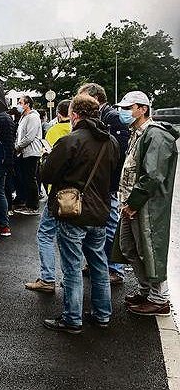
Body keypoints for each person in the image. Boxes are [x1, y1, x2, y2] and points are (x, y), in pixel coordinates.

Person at [40, 94, 118, 334]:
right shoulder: (111, 142)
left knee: (72, 266)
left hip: (73, 211)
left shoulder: (70, 141)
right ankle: (102, 314)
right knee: (98, 262)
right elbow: (114, 177)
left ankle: (72, 318)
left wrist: (46, 158)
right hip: (100, 211)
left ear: (75, 115)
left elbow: (47, 175)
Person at [113, 91, 178, 317]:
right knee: (129, 248)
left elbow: (152, 175)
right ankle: (146, 291)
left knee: (150, 251)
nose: (123, 112)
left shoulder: (155, 135)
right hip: (130, 204)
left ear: (143, 109)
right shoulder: (137, 133)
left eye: (128, 108)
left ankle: (160, 299)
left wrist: (133, 203)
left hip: (146, 207)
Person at [77, 83, 130, 284]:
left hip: (108, 185)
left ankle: (115, 268)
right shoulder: (102, 117)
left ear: (96, 99)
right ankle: (97, 263)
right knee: (98, 224)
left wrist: (108, 182)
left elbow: (118, 155)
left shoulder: (112, 118)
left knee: (109, 226)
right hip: (100, 184)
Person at [25, 99, 73, 293]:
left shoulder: (53, 132)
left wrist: (45, 157)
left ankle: (47, 278)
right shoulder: (86, 134)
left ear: (59, 113)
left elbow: (49, 167)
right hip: (79, 195)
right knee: (72, 240)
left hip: (57, 192)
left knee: (45, 234)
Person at [13, 95, 42, 215]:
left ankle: (33, 206)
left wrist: (17, 147)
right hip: (24, 152)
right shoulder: (23, 117)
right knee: (25, 178)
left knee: (30, 178)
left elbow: (29, 136)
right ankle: (26, 202)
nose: (18, 105)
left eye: (20, 103)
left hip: (31, 152)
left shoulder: (33, 117)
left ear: (27, 104)